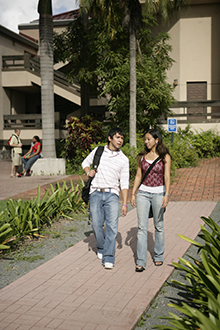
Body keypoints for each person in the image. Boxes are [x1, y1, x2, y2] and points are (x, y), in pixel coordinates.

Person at [82, 127, 129, 269]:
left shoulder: (123, 159)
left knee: (112, 226)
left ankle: (109, 257)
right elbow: (85, 163)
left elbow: (125, 183)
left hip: (112, 195)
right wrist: (88, 171)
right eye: (117, 137)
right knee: (96, 224)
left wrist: (125, 203)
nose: (120, 140)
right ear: (110, 138)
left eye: (122, 138)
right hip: (95, 192)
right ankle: (101, 247)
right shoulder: (98, 151)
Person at [131, 128, 171, 272]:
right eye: (145, 139)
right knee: (142, 228)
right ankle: (141, 261)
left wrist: (167, 195)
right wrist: (133, 193)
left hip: (159, 193)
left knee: (158, 226)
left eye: (149, 139)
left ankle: (158, 255)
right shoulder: (142, 156)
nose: (146, 142)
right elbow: (138, 176)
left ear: (156, 140)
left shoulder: (164, 157)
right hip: (143, 193)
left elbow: (167, 177)